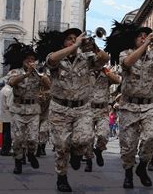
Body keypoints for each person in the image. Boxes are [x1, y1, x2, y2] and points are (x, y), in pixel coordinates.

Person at [105, 21, 153, 189]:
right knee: (128, 146)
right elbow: (127, 63)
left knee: (152, 137)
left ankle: (142, 167)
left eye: (146, 36)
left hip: (149, 106)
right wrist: (145, 45)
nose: (144, 38)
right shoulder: (125, 53)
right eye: (140, 36)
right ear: (134, 39)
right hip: (129, 106)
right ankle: (128, 173)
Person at [38, 28, 109, 192]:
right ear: (64, 42)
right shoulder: (56, 57)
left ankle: (77, 154)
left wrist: (94, 46)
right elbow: (51, 60)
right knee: (61, 146)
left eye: (75, 38)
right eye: (69, 39)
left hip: (82, 108)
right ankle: (61, 176)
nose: (73, 41)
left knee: (85, 138)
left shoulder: (86, 58)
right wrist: (74, 46)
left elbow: (104, 59)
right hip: (60, 108)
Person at [4, 40, 51, 174]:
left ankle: (31, 154)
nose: (30, 62)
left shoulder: (39, 73)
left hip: (33, 110)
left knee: (32, 138)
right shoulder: (15, 72)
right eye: (28, 59)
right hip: (18, 109)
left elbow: (49, 86)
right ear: (23, 60)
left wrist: (41, 76)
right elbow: (12, 82)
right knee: (18, 139)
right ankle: (18, 161)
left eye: (33, 60)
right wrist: (26, 74)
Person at [84, 65, 120, 172]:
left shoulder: (105, 74)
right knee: (88, 138)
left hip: (102, 110)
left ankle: (99, 150)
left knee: (104, 134)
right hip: (88, 109)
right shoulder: (86, 73)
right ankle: (88, 161)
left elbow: (118, 81)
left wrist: (108, 73)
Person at [0, 81, 14, 156]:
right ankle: (6, 150)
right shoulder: (9, 90)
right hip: (8, 116)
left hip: (4, 115)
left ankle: (4, 149)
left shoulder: (3, 89)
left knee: (5, 133)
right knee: (8, 134)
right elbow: (9, 104)